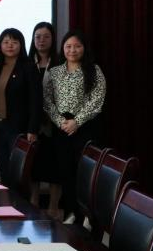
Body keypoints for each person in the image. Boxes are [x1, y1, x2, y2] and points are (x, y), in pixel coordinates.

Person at [43, 30, 106, 223]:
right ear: (62, 48)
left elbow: (97, 99)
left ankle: (88, 216)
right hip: (61, 127)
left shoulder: (93, 70)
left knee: (85, 172)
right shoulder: (55, 71)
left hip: (85, 127)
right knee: (65, 172)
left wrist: (76, 122)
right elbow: (47, 100)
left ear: (84, 48)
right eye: (68, 46)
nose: (72, 50)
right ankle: (71, 213)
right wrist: (60, 121)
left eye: (77, 46)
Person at [0, 28, 41, 183]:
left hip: (19, 128)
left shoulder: (29, 68)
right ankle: (6, 199)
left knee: (19, 173)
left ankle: (20, 199)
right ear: (0, 45)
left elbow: (36, 101)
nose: (10, 45)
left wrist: (32, 129)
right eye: (6, 42)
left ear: (21, 45)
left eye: (14, 42)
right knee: (4, 171)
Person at [27, 22, 60, 216]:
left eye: (46, 36)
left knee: (55, 168)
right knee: (34, 167)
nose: (41, 40)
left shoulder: (60, 62)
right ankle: (34, 204)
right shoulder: (26, 63)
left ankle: (54, 208)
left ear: (53, 39)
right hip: (32, 124)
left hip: (54, 125)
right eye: (37, 36)